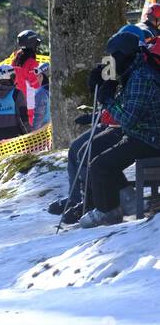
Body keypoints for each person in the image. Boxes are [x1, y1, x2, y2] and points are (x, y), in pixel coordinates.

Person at [48, 25, 149, 224]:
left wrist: (105, 105)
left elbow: (129, 113)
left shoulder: (141, 73)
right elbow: (123, 102)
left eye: (114, 56)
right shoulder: (130, 70)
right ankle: (82, 198)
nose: (111, 60)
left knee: (91, 153)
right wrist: (104, 87)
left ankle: (96, 203)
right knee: (79, 149)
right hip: (125, 125)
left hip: (139, 131)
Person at [80, 38, 160, 227]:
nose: (111, 61)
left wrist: (106, 99)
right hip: (141, 134)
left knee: (101, 165)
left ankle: (107, 211)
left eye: (113, 57)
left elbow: (129, 118)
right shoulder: (133, 73)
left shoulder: (142, 77)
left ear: (124, 55)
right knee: (94, 155)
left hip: (151, 138)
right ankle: (122, 204)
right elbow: (126, 109)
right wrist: (109, 83)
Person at [0, 63, 30, 142]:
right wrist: (29, 135)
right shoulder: (17, 93)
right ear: (12, 77)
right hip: (15, 134)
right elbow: (23, 117)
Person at [12, 30, 42, 120]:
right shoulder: (32, 63)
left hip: (17, 100)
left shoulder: (15, 60)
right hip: (30, 104)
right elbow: (36, 84)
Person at [32, 62, 50, 131]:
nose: (37, 79)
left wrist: (33, 134)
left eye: (39, 76)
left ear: (43, 76)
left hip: (44, 133)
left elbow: (38, 116)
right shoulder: (58, 89)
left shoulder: (41, 93)